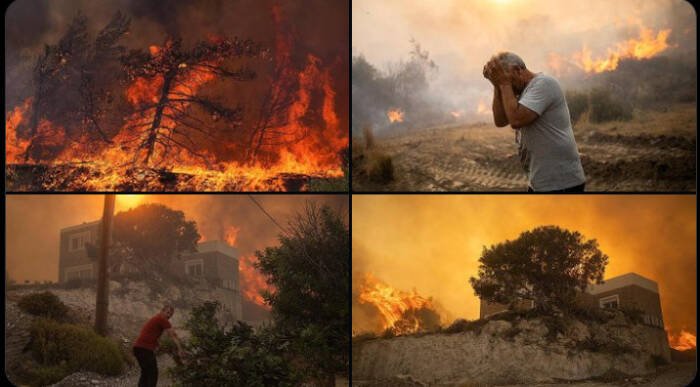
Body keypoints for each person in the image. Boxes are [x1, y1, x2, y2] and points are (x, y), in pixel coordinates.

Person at [483, 52, 586, 192]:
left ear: (517, 70)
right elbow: (500, 121)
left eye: (507, 80)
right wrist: (497, 85)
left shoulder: (544, 84)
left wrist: (504, 83)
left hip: (562, 183)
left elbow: (516, 119)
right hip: (540, 182)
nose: (509, 89)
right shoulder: (522, 91)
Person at [133, 304, 185, 387]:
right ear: (162, 311)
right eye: (167, 313)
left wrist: (159, 346)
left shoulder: (156, 319)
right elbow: (173, 335)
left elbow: (151, 335)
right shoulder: (161, 319)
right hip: (144, 349)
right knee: (153, 373)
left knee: (145, 372)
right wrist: (180, 349)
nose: (169, 316)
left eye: (171, 315)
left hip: (138, 348)